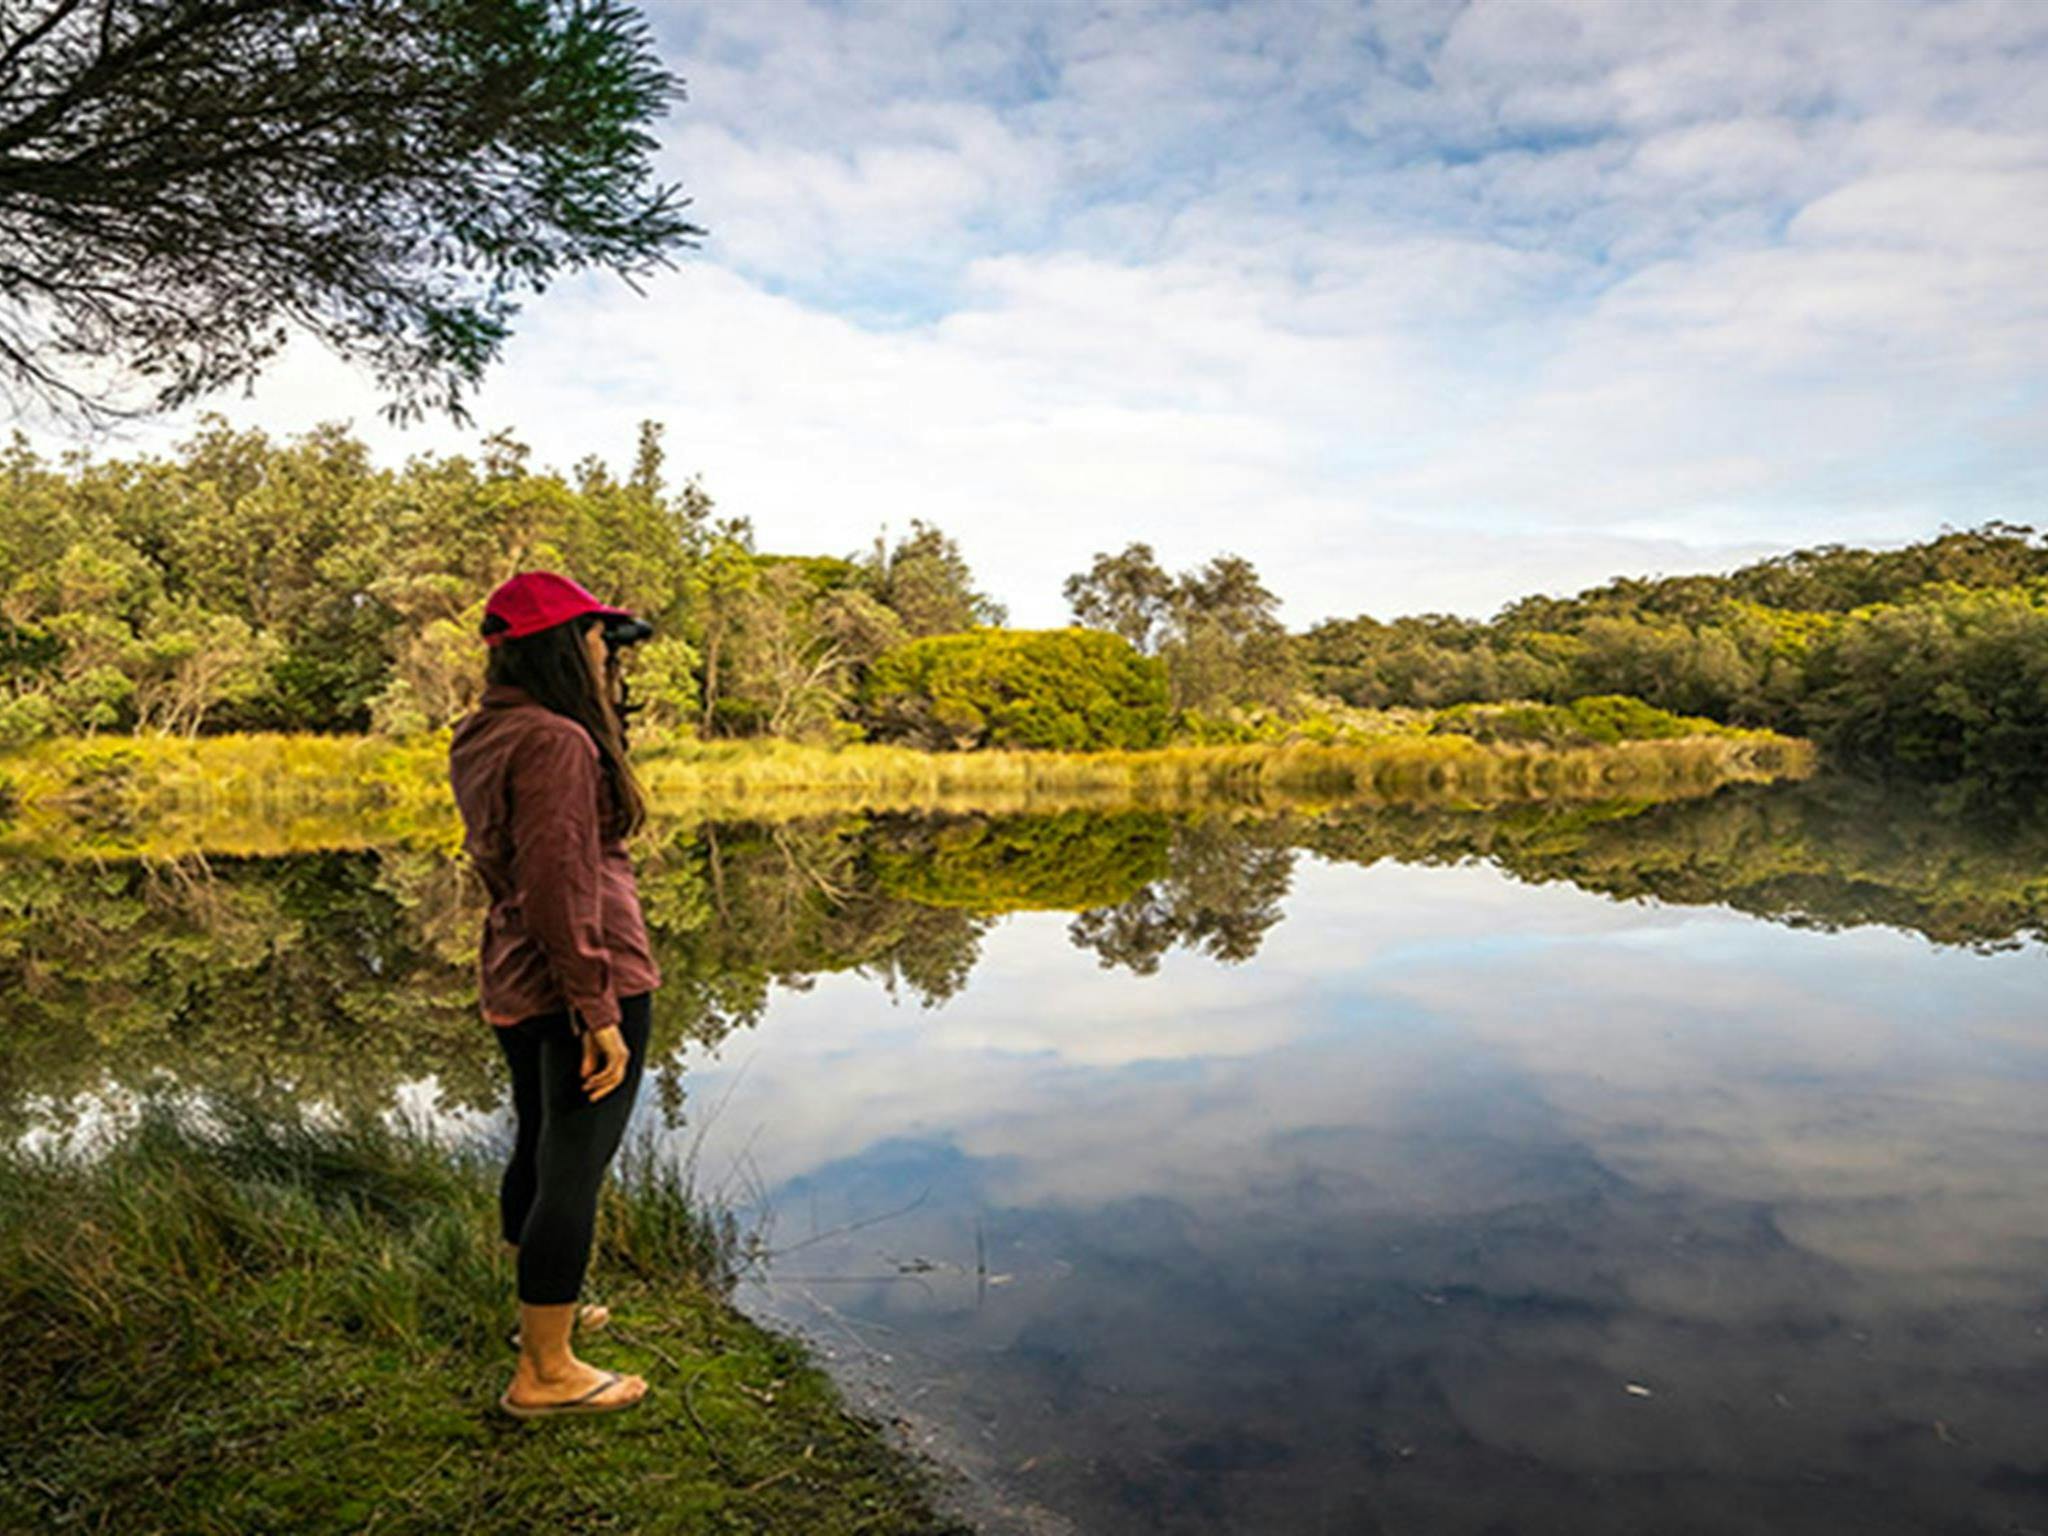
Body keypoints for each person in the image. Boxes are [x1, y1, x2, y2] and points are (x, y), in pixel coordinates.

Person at [447, 570, 664, 1420]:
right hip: (582, 972)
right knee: (574, 1166)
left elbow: (523, 875)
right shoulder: (557, 741)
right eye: (596, 639)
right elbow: (560, 880)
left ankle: (540, 1316)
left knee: (540, 1146)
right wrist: (599, 1009)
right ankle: (545, 1372)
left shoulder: (486, 731)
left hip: (515, 970)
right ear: (560, 647)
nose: (606, 654)